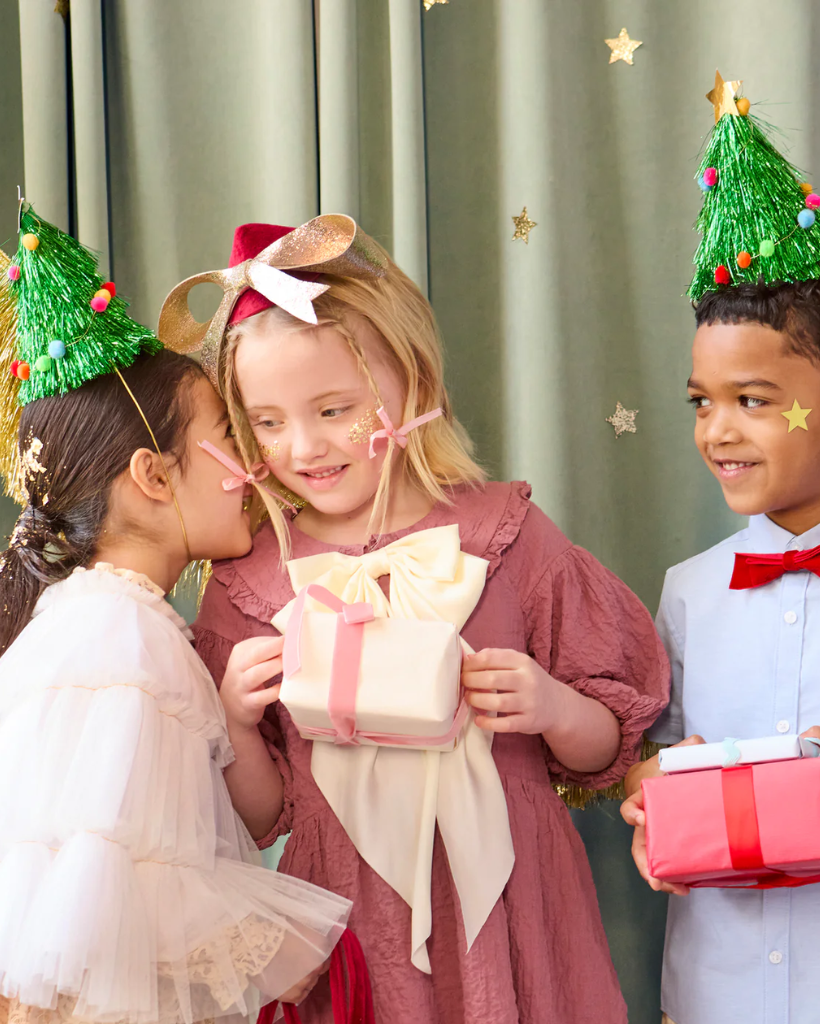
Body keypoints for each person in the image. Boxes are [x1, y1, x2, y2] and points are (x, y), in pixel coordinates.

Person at [163, 214, 671, 1024]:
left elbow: (608, 748)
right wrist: (231, 712)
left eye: (335, 410)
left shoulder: (506, 536)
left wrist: (552, 705)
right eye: (266, 421)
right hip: (349, 922)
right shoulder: (248, 581)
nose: (303, 446)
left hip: (512, 908)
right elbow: (264, 816)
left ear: (412, 380)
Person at [0, 208, 352, 1024]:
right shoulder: (116, 635)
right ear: (154, 478)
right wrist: (266, 946)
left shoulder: (115, 623)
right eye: (231, 438)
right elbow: (103, 876)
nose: (254, 467)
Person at [621, 83, 820, 1024]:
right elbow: (654, 761)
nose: (719, 432)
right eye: (702, 402)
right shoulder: (689, 590)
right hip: (717, 990)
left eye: (753, 398)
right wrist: (650, 796)